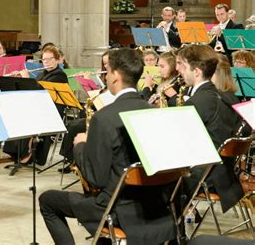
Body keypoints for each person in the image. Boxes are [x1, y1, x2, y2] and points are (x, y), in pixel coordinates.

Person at [39, 48, 177, 245]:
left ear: (116, 76)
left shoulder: (104, 117)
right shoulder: (154, 111)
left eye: (108, 70)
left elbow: (95, 178)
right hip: (154, 205)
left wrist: (80, 146)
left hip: (117, 208)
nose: (106, 76)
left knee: (47, 201)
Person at [176, 45, 244, 213]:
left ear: (197, 72)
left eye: (183, 66)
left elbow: (177, 142)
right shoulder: (223, 96)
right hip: (224, 174)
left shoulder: (198, 101)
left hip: (205, 175)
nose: (178, 70)